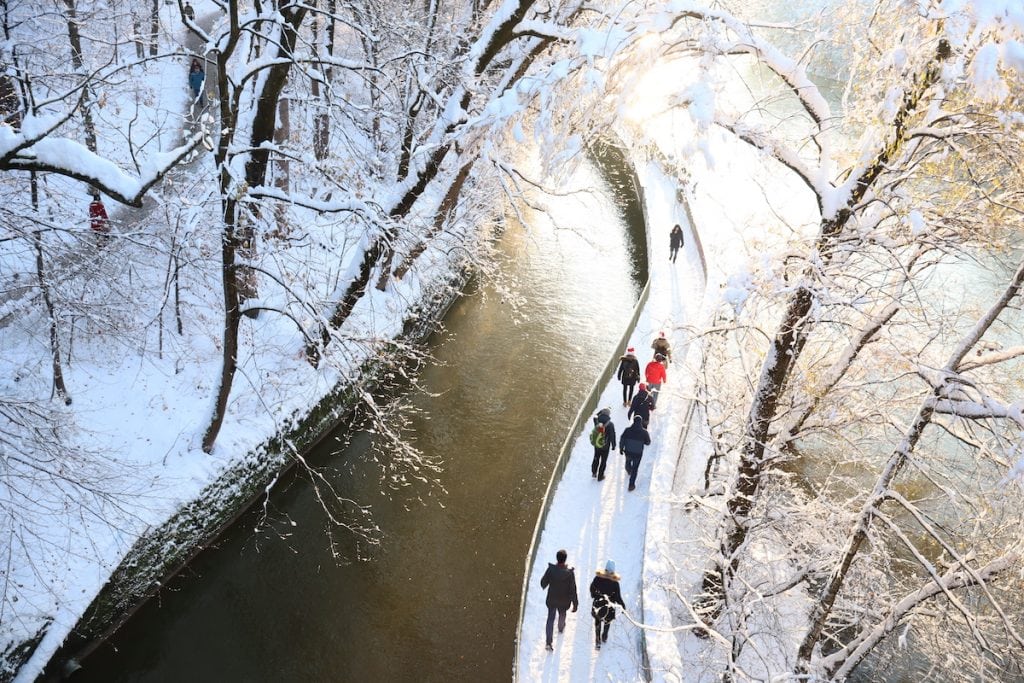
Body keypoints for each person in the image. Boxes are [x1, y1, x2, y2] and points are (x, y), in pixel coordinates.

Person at [540, 549, 578, 651]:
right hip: (564, 601)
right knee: (562, 614)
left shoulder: (551, 570)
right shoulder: (569, 574)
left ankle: (548, 642)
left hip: (552, 599)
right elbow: (573, 589)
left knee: (550, 619)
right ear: (565, 560)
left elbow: (543, 583)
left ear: (557, 558)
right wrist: (575, 604)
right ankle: (561, 628)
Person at [590, 559, 625, 650]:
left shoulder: (597, 578)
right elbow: (618, 597)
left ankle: (597, 641)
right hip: (610, 608)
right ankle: (604, 636)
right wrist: (623, 606)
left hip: (598, 605)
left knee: (598, 622)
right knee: (607, 622)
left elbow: (592, 589)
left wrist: (594, 595)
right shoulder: (615, 583)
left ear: (605, 569)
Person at [619, 414, 651, 491]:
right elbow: (648, 442)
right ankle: (631, 485)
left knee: (628, 461)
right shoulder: (644, 432)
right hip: (638, 453)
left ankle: (628, 469)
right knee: (635, 468)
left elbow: (622, 439)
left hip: (628, 451)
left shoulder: (627, 430)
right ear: (641, 422)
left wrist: (621, 448)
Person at [589, 408, 617, 481]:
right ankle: (600, 476)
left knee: (596, 457)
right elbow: (612, 435)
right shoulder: (610, 424)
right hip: (605, 446)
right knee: (603, 460)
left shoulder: (597, 421)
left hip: (597, 444)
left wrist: (600, 412)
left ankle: (594, 472)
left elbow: (595, 416)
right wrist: (613, 445)